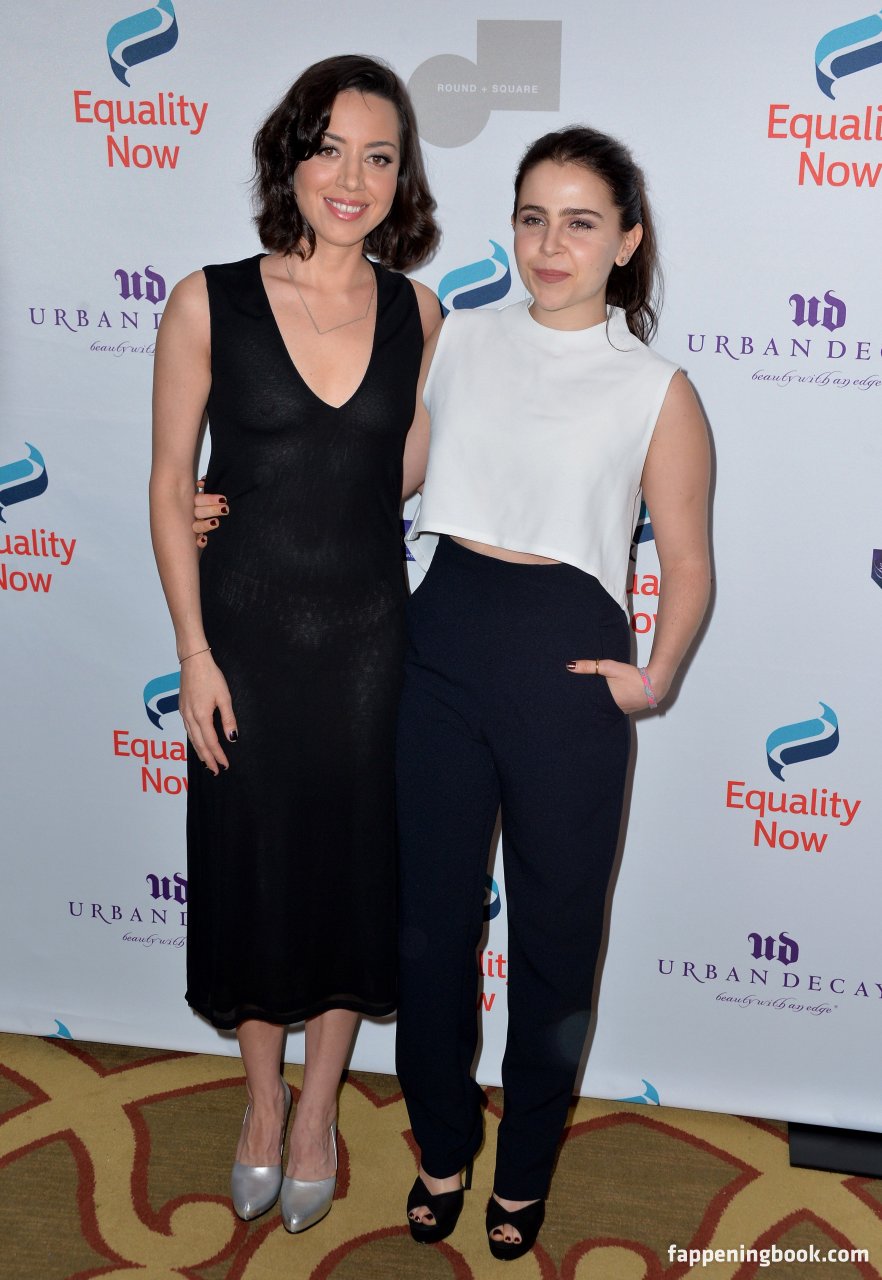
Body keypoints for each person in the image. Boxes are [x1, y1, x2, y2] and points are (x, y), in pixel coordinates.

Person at [195, 125, 711, 1259]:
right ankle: (441, 1148)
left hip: (569, 668)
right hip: (436, 650)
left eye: (581, 222)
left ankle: (523, 1171)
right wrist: (225, 502)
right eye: (532, 218)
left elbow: (688, 559)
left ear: (627, 241)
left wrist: (656, 675)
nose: (551, 245)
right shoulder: (459, 338)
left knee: (555, 942)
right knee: (428, 933)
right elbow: (366, 474)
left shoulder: (657, 389)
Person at [149, 54, 440, 1234]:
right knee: (254, 867)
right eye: (330, 148)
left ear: (401, 177)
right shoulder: (205, 300)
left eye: (379, 155)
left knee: (350, 873)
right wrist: (194, 650)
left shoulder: (422, 313)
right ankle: (261, 1099)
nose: (352, 177)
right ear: (291, 156)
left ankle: (319, 1107)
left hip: (370, 644)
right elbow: (168, 480)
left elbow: (402, 473)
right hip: (243, 641)